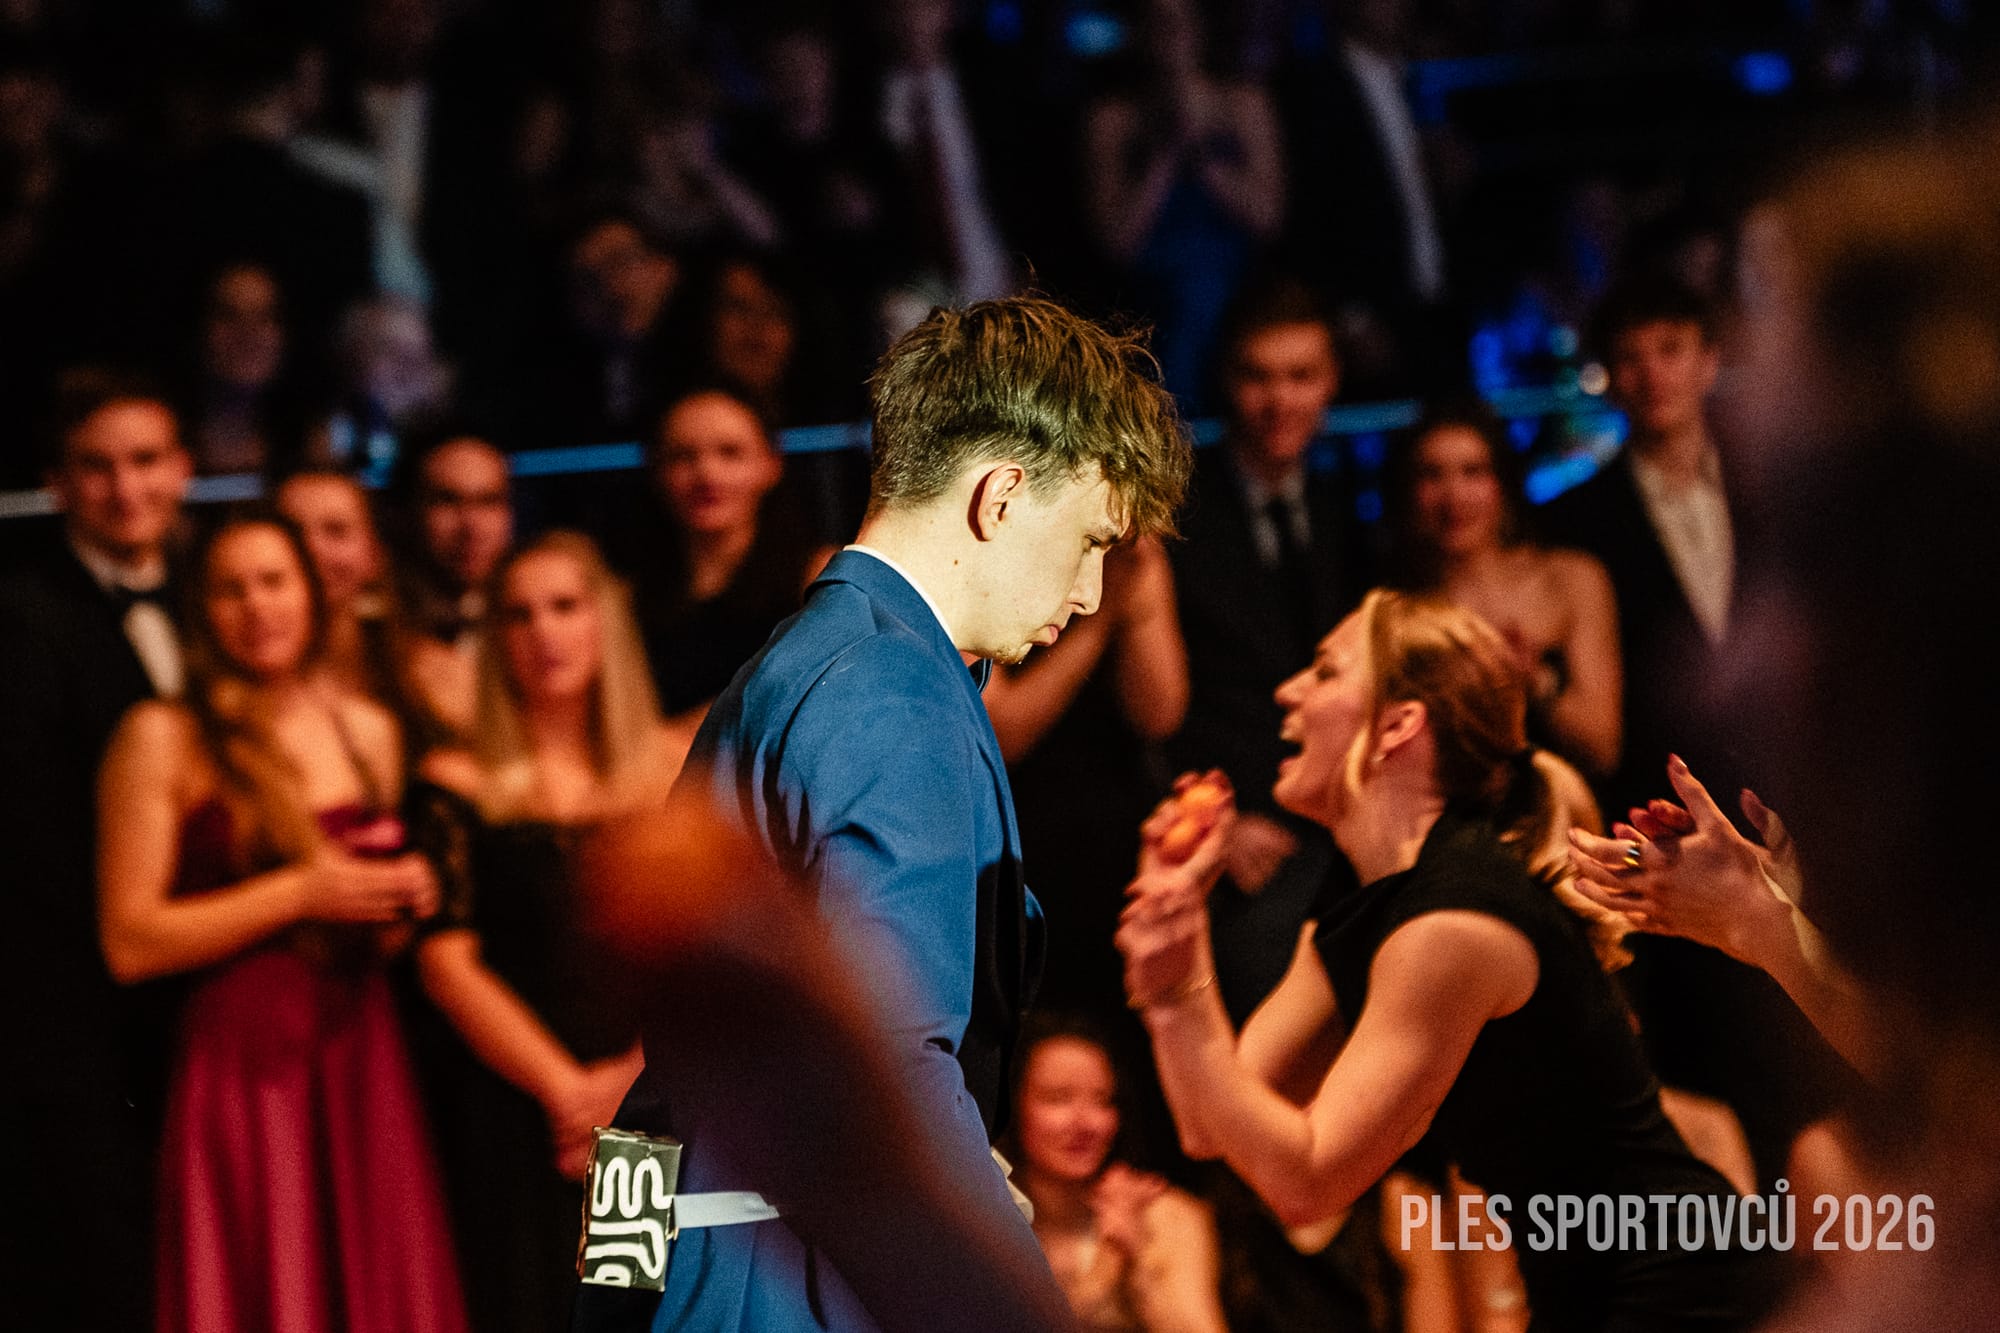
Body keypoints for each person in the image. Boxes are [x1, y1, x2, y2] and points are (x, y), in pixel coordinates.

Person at [576, 295, 1192, 1331]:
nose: (1092, 592)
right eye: (1092, 540)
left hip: (712, 1259)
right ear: (1000, 496)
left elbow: (657, 1090)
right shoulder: (893, 689)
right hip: (792, 1284)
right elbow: (904, 1061)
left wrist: (612, 1297)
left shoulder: (809, 657)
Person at [1118, 589, 1779, 1330]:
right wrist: (1180, 933)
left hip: (1682, 1290)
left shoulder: (1455, 917)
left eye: (1325, 672)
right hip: (1595, 1289)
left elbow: (1308, 1181)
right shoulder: (1358, 904)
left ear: (1398, 724)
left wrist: (1176, 986)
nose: (1289, 691)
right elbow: (1211, 1125)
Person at [95, 510, 466, 1333]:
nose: (257, 606)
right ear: (200, 609)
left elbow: (390, 935)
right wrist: (300, 891)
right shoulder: (164, 735)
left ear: (311, 592)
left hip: (361, 1050)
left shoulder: (367, 728)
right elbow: (129, 940)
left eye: (274, 581)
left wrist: (401, 899)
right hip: (245, 1069)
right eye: (231, 589)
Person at [1541, 273, 1838, 1184]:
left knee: (1819, 1055)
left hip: (1798, 804)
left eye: (1670, 349)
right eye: (1630, 357)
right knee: (1701, 1075)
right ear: (1608, 373)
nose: (1652, 374)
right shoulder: (1572, 519)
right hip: (1661, 816)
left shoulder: (1781, 486)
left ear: (1709, 360)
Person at [409, 531, 693, 1333]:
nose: (544, 632)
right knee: (517, 1302)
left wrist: (624, 1081)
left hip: (641, 1100)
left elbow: (697, 955)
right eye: (519, 613)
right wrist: (568, 1091)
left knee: (625, 1306)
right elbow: (446, 963)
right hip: (512, 1102)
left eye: (565, 606)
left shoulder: (672, 767)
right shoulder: (456, 779)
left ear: (605, 618)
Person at [0, 371, 191, 1330]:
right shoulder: (22, 618)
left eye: (146, 460)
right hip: (79, 1020)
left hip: (209, 1015)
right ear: (58, 483)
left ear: (183, 468)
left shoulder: (224, 596)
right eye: (98, 467)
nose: (126, 489)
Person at [1168, 278, 1371, 1018]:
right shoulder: (1176, 517)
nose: (1280, 400)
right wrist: (1213, 821)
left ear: (1331, 381)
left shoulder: (1348, 509)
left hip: (1344, 830)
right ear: (1227, 380)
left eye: (1301, 376)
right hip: (1234, 844)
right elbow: (1148, 705)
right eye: (1259, 377)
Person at [1383, 402, 1621, 779]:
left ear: (1503, 484)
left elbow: (1602, 748)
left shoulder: (1571, 578)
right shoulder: (1397, 612)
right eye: (1432, 475)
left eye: (1473, 472)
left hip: (1571, 806)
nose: (1454, 497)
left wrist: (1534, 679)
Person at [1081, 0, 1284, 408]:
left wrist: (1204, 158)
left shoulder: (1244, 103)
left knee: (1206, 296)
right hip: (1150, 296)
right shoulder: (1112, 118)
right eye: (1158, 24)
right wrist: (1164, 156)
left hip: (1237, 288)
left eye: (1179, 23)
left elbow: (1268, 218)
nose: (1171, 37)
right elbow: (1117, 242)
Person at [621, 386, 836, 718]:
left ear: (772, 463)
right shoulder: (625, 596)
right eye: (683, 456)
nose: (706, 474)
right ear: (656, 470)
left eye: (730, 453)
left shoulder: (820, 578)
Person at [1009, 1018, 1228, 1332]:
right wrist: (1107, 1266)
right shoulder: (982, 1221)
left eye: (1102, 1100)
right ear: (1013, 1107)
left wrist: (1138, 1260)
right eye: (1058, 1098)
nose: (1085, 1123)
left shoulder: (1163, 1215)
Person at [396, 428, 515, 743]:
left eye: (489, 501)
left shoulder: (535, 619)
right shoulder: (381, 634)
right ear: (410, 511)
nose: (471, 526)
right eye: (447, 501)